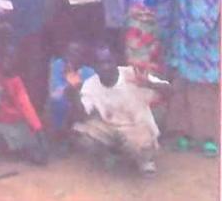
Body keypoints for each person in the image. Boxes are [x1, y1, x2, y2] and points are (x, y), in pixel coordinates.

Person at [66, 44, 171, 176]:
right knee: (81, 133)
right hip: (111, 127)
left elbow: (170, 92)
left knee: (141, 144)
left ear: (115, 61)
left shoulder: (133, 74)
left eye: (108, 62)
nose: (105, 67)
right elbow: (82, 116)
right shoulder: (90, 85)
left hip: (136, 126)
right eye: (100, 63)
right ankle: (111, 154)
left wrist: (149, 84)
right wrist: (74, 89)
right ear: (94, 66)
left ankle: (145, 161)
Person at [160, 0, 220, 157]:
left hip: (211, 44)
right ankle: (182, 133)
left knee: (206, 92)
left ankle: (208, 137)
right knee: (182, 89)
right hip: (185, 41)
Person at [0, 36, 48, 165]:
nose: (7, 61)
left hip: (14, 125)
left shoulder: (16, 83)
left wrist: (38, 130)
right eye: (5, 57)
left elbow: (27, 108)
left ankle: (26, 149)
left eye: (11, 58)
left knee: (22, 137)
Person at [48, 40, 95, 149]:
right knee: (58, 102)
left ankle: (74, 134)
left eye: (77, 53)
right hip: (63, 101)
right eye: (70, 53)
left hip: (80, 105)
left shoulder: (90, 72)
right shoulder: (58, 65)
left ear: (83, 56)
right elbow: (55, 89)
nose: (72, 57)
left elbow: (90, 95)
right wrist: (70, 87)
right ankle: (59, 134)